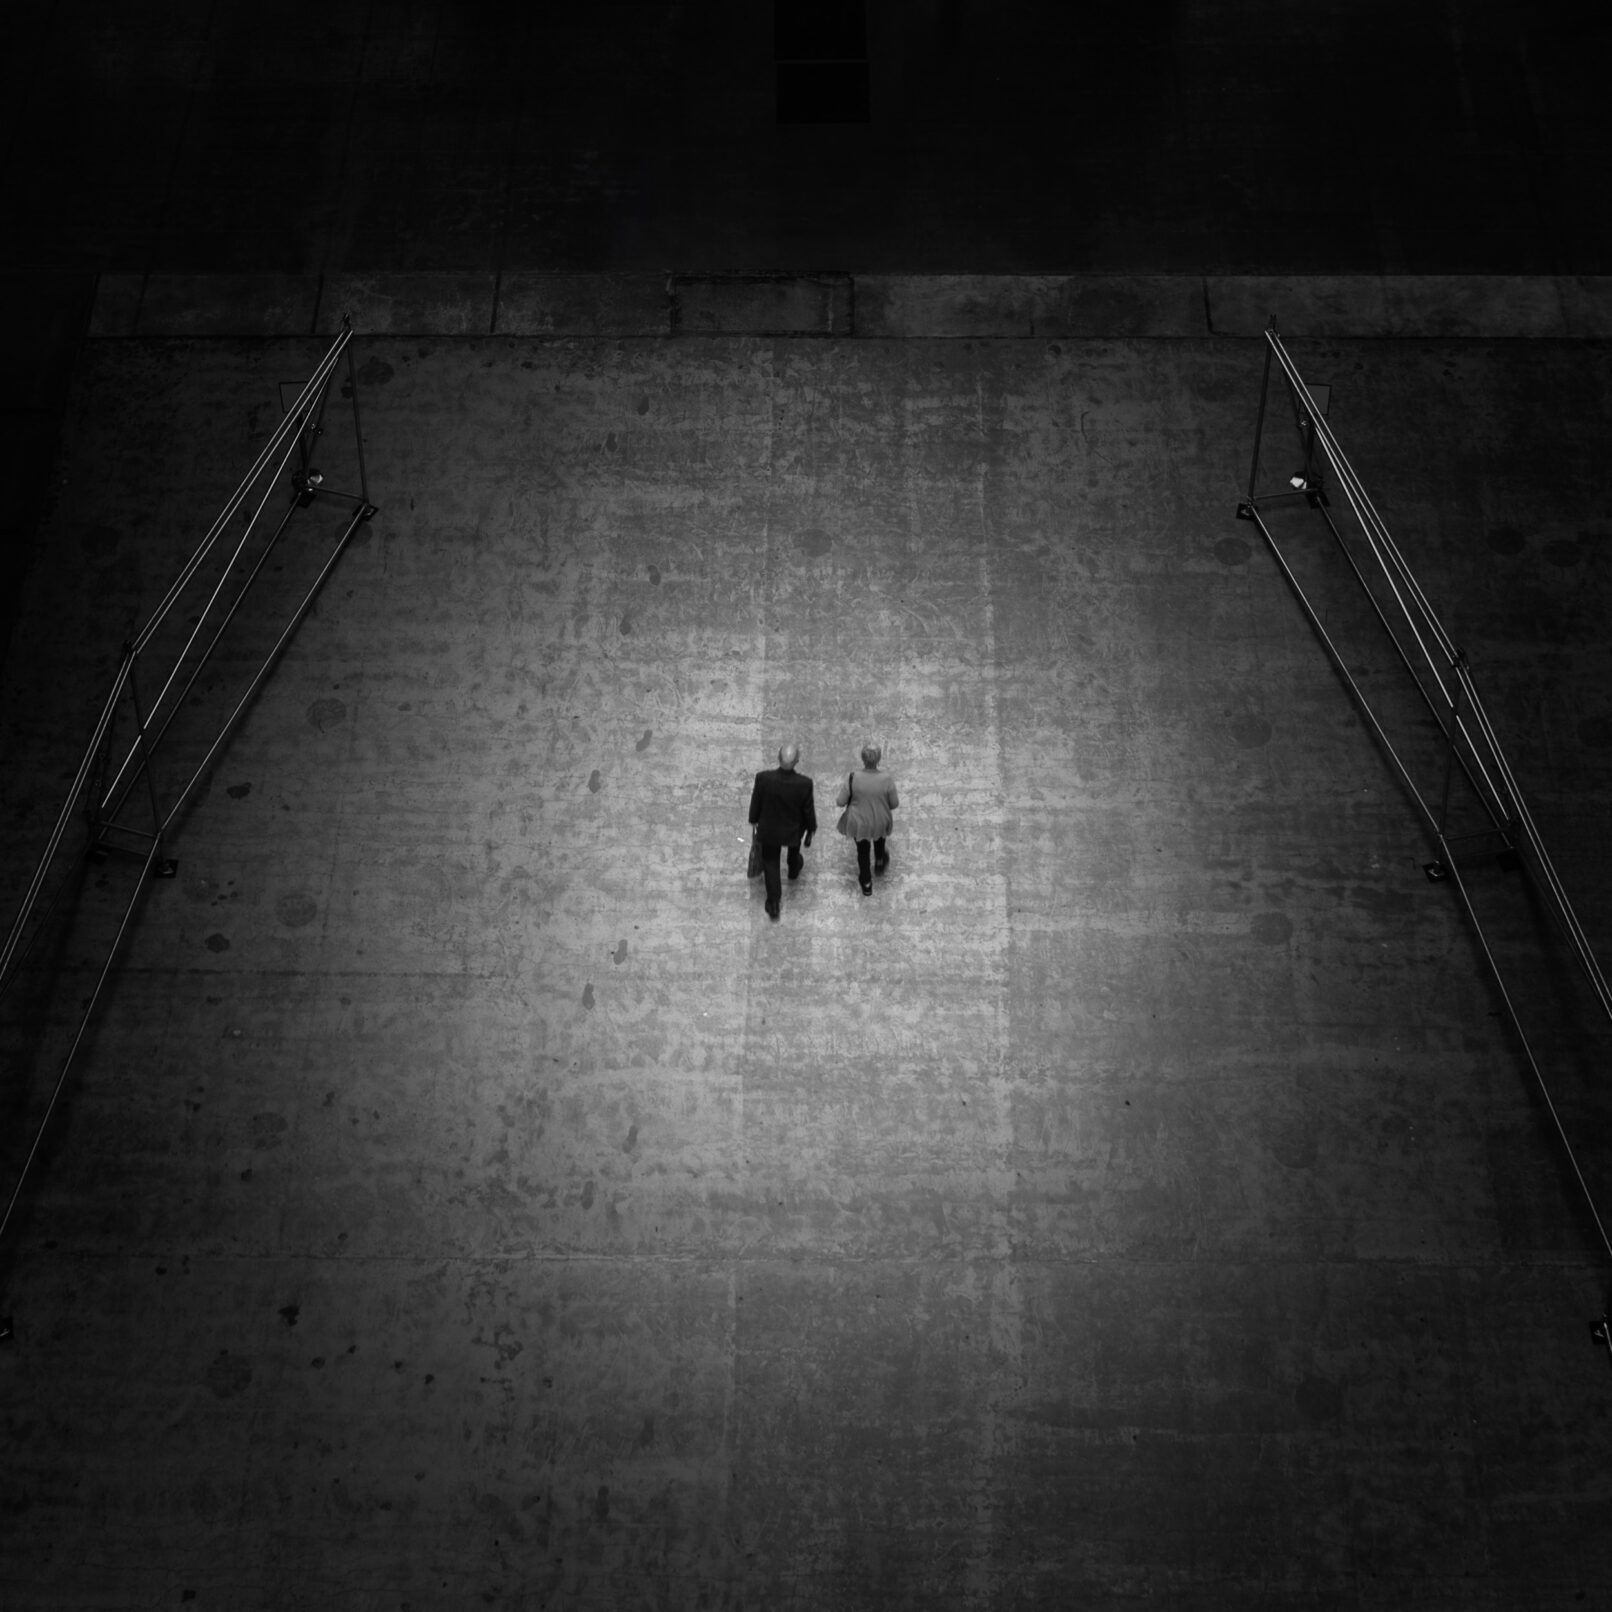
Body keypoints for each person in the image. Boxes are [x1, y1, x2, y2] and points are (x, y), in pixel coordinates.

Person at [748, 743, 817, 921]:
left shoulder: (763, 779)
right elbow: (807, 810)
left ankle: (773, 902)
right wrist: (811, 827)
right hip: (793, 829)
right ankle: (793, 870)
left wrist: (754, 819)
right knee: (794, 851)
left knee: (770, 862)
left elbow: (756, 801)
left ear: (778, 758)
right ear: (797, 761)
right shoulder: (805, 784)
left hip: (770, 829)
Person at [835, 744, 899, 896]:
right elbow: (894, 804)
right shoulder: (887, 779)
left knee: (862, 852)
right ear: (879, 759)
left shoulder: (852, 777)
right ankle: (880, 861)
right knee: (879, 842)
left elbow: (840, 801)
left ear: (862, 759)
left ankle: (866, 883)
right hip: (880, 820)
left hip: (859, 822)